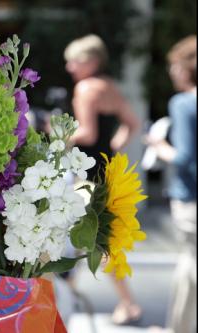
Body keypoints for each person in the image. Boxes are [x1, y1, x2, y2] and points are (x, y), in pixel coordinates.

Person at [64, 34, 142, 325]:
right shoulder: (110, 87)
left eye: (76, 60)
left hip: (85, 177)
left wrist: (58, 137)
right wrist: (115, 148)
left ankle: (62, 298)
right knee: (99, 240)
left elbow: (87, 134)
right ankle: (125, 302)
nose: (70, 67)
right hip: (106, 173)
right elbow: (132, 122)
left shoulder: (85, 89)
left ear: (93, 61)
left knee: (75, 237)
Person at [147, 35, 196, 333]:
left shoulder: (183, 103)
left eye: (175, 66)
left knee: (190, 263)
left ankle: (178, 328)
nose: (171, 72)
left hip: (191, 198)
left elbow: (184, 156)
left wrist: (158, 144)